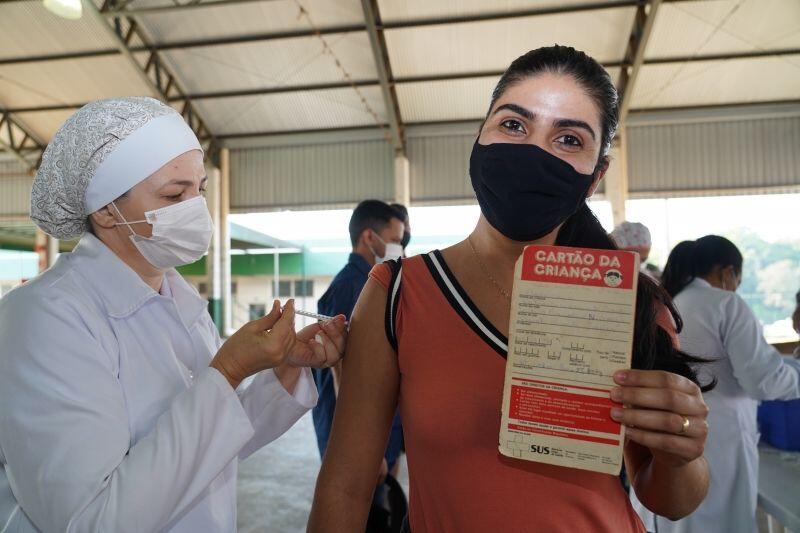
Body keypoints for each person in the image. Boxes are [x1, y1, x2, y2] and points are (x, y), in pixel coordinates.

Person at [308, 45, 713, 533]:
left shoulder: (627, 302)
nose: (532, 152)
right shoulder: (398, 292)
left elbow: (668, 498)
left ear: (594, 177)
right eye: (514, 125)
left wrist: (680, 453)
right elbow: (346, 486)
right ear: (480, 137)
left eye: (567, 138)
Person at [0, 97, 347, 533]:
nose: (195, 208)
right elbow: (91, 520)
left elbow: (210, 448)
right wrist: (228, 369)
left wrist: (280, 370)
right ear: (107, 210)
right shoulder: (46, 318)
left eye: (198, 190)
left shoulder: (179, 301)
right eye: (173, 194)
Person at [632, 235, 800, 533]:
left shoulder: (671, 302)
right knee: (724, 520)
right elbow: (763, 380)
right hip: (722, 442)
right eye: (738, 278)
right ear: (727, 272)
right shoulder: (727, 304)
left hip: (673, 439)